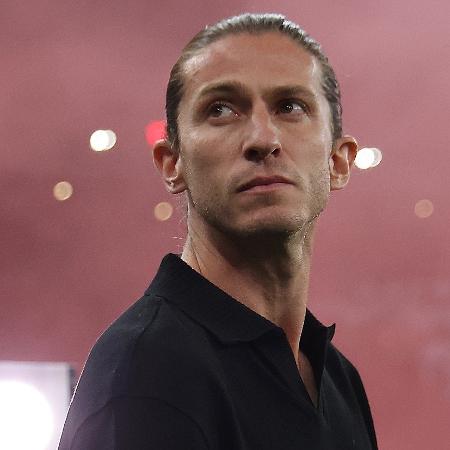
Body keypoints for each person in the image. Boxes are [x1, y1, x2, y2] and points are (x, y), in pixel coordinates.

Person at [59, 13, 378, 450]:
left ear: (339, 161)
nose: (263, 139)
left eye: (290, 107)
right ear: (172, 164)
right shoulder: (147, 372)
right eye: (221, 109)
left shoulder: (340, 381)